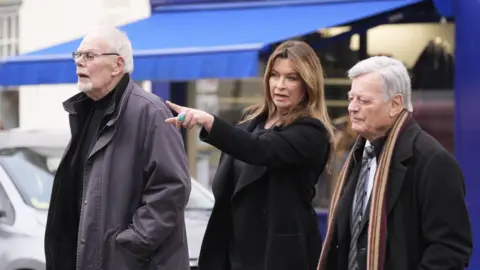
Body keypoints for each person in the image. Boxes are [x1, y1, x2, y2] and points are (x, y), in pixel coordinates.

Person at [165, 40, 335, 270]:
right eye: (275, 75)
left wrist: (209, 121)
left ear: (308, 84)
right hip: (233, 250)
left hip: (278, 255)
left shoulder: (311, 132)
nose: (280, 85)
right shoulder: (251, 121)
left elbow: (261, 149)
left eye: (291, 78)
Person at [44, 26, 191, 270]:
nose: (79, 62)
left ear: (117, 65)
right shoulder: (85, 110)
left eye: (89, 56)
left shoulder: (149, 112)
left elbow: (172, 188)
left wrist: (131, 242)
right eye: (77, 55)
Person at [317, 56, 473, 270]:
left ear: (395, 104)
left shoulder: (432, 161)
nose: (352, 107)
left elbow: (451, 249)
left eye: (364, 100)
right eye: (351, 98)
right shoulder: (360, 153)